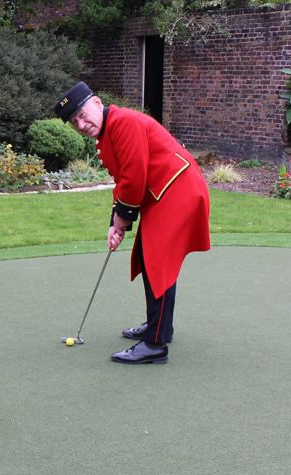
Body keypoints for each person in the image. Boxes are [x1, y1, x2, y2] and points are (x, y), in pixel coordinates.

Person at [54, 82, 210, 365]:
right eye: (73, 121)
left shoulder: (123, 123)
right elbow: (123, 179)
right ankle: (159, 328)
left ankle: (155, 344)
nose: (80, 123)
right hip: (162, 191)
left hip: (177, 189)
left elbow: (135, 177)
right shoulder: (108, 132)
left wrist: (122, 221)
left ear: (97, 103)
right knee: (150, 257)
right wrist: (115, 223)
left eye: (82, 113)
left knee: (157, 262)